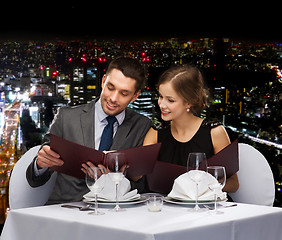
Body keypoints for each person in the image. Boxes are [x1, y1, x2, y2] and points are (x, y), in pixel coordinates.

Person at [26, 57, 152, 204]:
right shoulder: (66, 117)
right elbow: (34, 180)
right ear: (103, 80)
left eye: (124, 94)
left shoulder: (142, 125)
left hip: (116, 215)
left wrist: (116, 180)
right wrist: (40, 165)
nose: (113, 98)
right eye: (110, 87)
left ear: (135, 96)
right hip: (66, 211)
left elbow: (143, 187)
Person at [143, 65, 239, 193]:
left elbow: (233, 184)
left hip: (207, 208)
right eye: (160, 96)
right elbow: (140, 174)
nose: (161, 104)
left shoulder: (214, 132)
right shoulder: (155, 133)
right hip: (169, 209)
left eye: (170, 100)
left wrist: (202, 188)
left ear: (189, 102)